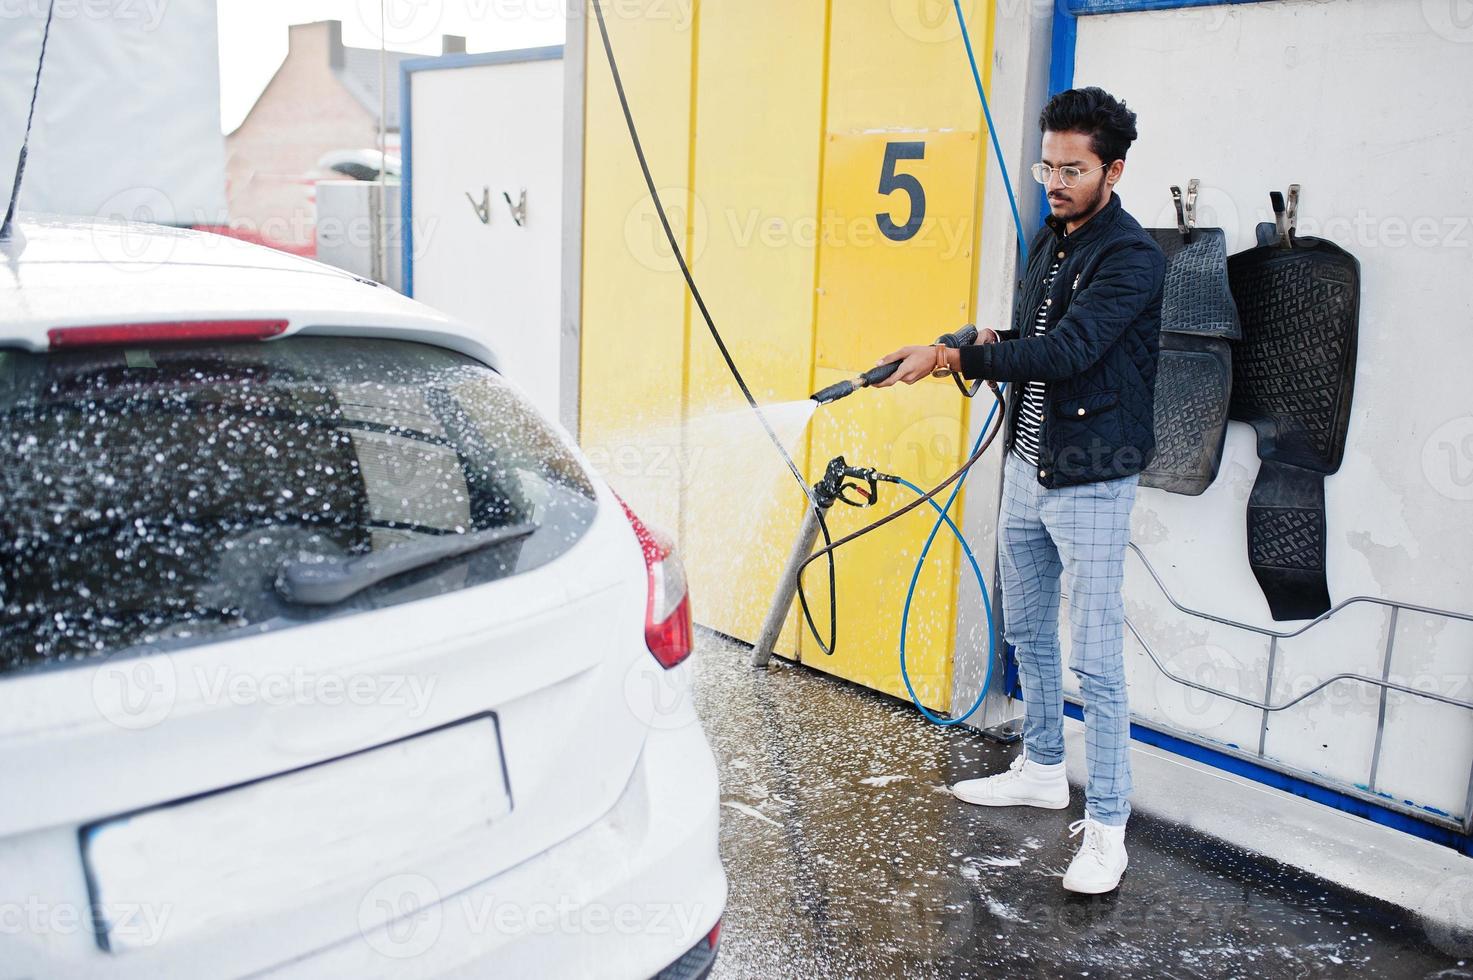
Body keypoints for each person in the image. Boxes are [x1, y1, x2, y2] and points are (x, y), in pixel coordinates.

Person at [874, 86, 1164, 894]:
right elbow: (1035, 334)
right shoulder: (1053, 236)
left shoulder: (1131, 257)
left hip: (1092, 478)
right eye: (1046, 165)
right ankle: (1041, 766)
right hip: (1030, 469)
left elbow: (1070, 351)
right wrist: (977, 339)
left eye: (1073, 169)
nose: (1054, 181)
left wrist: (954, 361)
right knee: (1030, 631)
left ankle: (1107, 827)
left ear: (1112, 169)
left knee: (1097, 660)